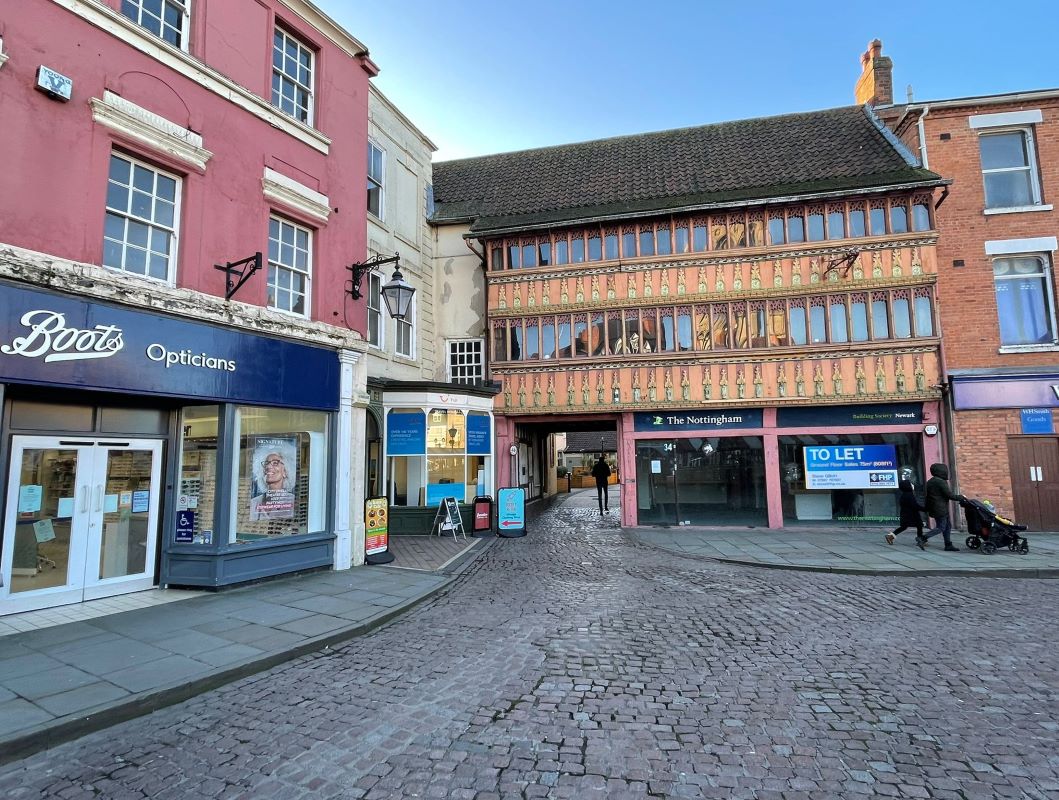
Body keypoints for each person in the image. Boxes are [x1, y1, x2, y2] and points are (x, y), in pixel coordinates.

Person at [918, 462, 965, 551]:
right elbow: (949, 495)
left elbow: (928, 496)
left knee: (947, 526)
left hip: (934, 507)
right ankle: (923, 538)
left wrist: (927, 508)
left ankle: (948, 545)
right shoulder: (941, 482)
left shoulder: (930, 481)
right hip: (941, 508)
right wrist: (961, 497)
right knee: (941, 527)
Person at [249, 443, 297, 521]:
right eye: (266, 463)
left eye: (275, 463)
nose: (268, 467)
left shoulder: (292, 501)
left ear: (285, 471)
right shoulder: (253, 502)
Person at [886, 479, 925, 544]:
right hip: (911, 514)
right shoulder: (909, 495)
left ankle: (891, 536)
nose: (912, 485)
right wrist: (924, 509)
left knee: (906, 526)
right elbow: (914, 505)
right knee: (919, 525)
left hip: (906, 513)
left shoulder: (905, 494)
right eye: (910, 484)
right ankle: (920, 539)